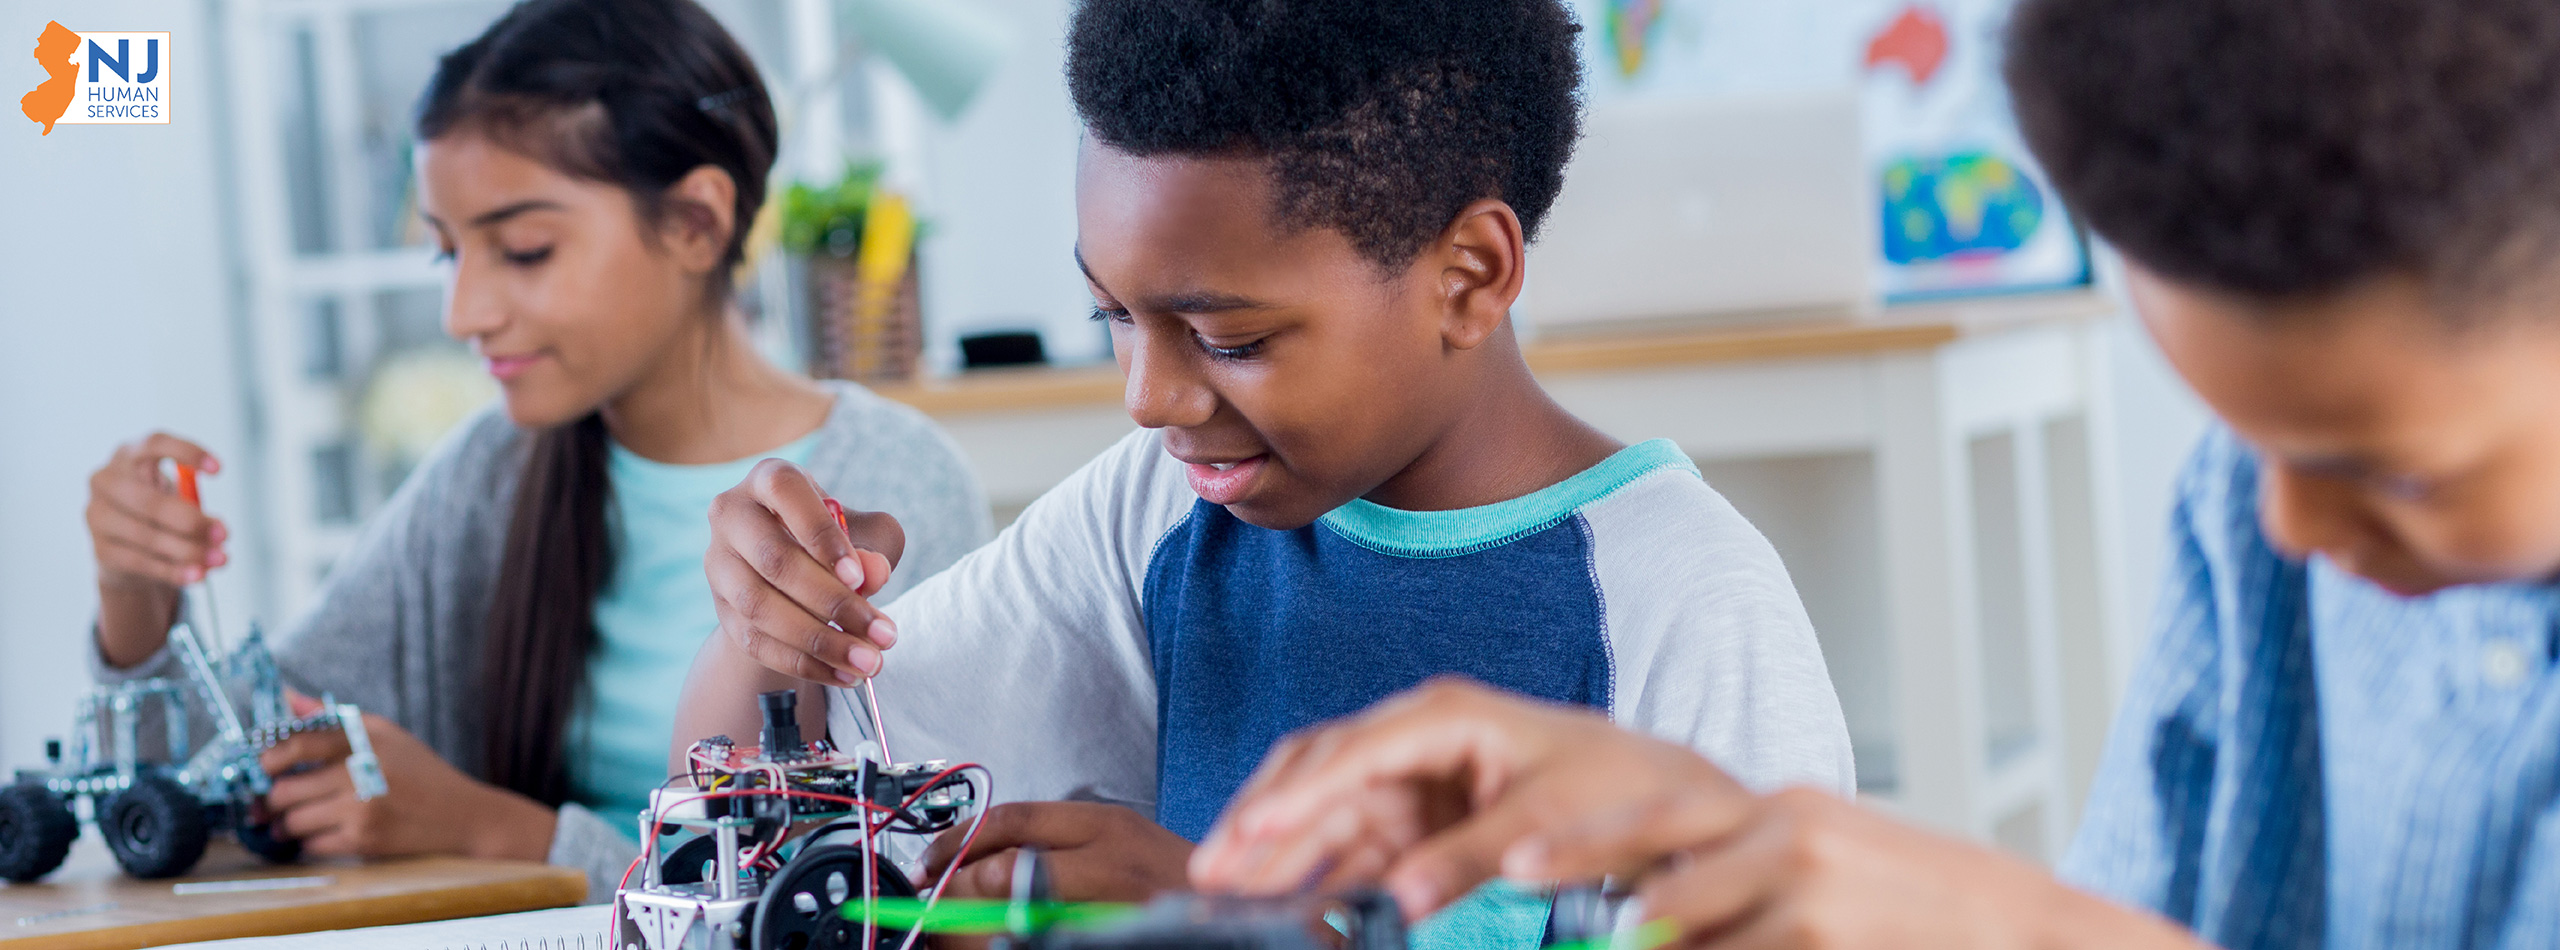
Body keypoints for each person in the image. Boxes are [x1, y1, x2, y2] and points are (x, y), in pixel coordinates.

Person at [1189, 0, 2560, 946]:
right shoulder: (2254, 528)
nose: (2285, 518)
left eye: (2393, 472)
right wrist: (1729, 851)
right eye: (2243, 435)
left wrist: (2019, 925)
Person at [671, 0, 1852, 945]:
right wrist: (777, 631)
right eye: (1112, 315)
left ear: (1470, 274)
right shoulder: (1155, 508)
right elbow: (744, 813)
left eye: (1230, 339)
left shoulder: (1680, 602)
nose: (1148, 397)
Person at [80, 0, 986, 901]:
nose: (464, 312)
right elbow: (212, 772)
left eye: (523, 250)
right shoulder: (491, 475)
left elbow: (903, 879)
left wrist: (498, 833)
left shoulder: (891, 486)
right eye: (448, 254)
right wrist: (136, 598)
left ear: (695, 223)